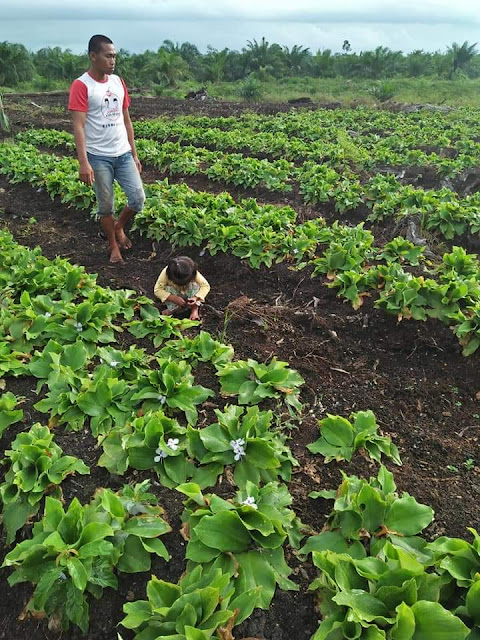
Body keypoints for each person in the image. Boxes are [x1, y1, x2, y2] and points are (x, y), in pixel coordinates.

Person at [68, 34, 145, 263]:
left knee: (138, 198)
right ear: (93, 56)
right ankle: (113, 246)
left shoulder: (117, 82)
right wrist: (84, 162)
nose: (113, 60)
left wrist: (134, 153)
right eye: (108, 56)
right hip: (98, 157)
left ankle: (119, 226)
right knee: (106, 205)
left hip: (122, 154)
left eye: (114, 56)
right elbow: (79, 127)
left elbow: (126, 120)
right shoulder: (82, 85)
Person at [154, 256, 210, 321]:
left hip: (189, 292)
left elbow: (205, 286)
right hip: (174, 292)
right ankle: (172, 309)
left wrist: (195, 298)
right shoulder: (165, 273)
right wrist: (173, 298)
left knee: (195, 285)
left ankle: (194, 310)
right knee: (166, 289)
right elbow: (157, 290)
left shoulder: (192, 271)